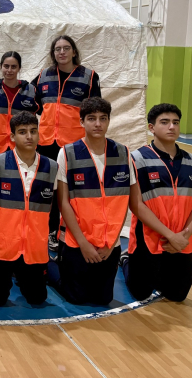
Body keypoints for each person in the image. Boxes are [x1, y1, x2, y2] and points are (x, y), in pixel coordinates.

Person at [47, 97, 134, 305]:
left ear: (109, 121)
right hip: (77, 241)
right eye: (92, 118)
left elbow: (123, 202)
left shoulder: (123, 153)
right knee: (76, 298)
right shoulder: (67, 153)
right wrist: (84, 244)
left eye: (103, 118)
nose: (98, 124)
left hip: (108, 244)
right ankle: (46, 264)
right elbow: (63, 203)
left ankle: (122, 258)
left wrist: (112, 242)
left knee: (103, 299)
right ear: (82, 121)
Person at [121, 103, 192, 302]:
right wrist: (170, 235)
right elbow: (136, 204)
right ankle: (126, 259)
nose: (171, 127)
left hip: (182, 240)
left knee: (177, 296)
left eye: (175, 122)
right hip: (149, 238)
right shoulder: (137, 159)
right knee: (141, 293)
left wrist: (184, 236)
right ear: (151, 127)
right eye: (165, 122)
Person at [0, 111, 57, 306]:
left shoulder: (52, 167)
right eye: (22, 132)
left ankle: (21, 273)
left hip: (34, 246)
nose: (29, 136)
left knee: (37, 299)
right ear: (12, 136)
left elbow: (56, 205)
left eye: (33, 131)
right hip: (3, 244)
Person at [31, 35, 101, 252]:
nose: (61, 52)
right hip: (47, 142)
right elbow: (31, 102)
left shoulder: (89, 76)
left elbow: (95, 110)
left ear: (74, 51)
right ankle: (50, 231)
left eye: (66, 48)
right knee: (48, 189)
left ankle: (76, 230)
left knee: (74, 189)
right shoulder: (43, 76)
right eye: (57, 49)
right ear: (53, 53)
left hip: (75, 144)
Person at [0, 51, 38, 156]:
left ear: (19, 68)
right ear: (1, 66)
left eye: (13, 67)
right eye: (6, 66)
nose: (9, 70)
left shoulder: (31, 90)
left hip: (22, 146)